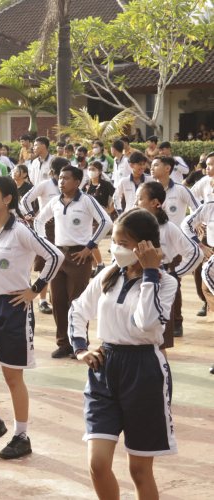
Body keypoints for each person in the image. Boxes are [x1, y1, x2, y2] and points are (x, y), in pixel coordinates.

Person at [68, 208, 178, 499]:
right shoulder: (108, 275)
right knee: (97, 463)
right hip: (105, 368)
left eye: (122, 242)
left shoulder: (166, 283)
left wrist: (151, 272)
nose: (114, 248)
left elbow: (146, 322)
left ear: (144, 245)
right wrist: (80, 348)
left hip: (144, 370)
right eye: (113, 240)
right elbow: (78, 310)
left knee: (139, 472)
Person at [0, 175, 63, 460]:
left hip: (14, 308)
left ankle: (22, 436)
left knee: (12, 377)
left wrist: (35, 290)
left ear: (7, 199)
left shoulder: (21, 231)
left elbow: (54, 257)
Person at [34, 166, 113, 359]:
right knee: (58, 300)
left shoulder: (87, 200)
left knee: (78, 302)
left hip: (80, 256)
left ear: (77, 182)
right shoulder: (55, 201)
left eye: (66, 178)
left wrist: (90, 246)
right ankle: (64, 344)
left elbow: (106, 222)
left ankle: (80, 344)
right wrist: (46, 244)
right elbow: (39, 221)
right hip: (59, 255)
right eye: (60, 177)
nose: (61, 181)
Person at [134, 182, 201, 350]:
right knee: (134, 334)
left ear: (154, 202)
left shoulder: (168, 228)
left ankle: (162, 374)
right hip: (133, 283)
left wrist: (175, 274)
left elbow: (195, 254)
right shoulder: (131, 226)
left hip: (158, 284)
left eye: (139, 198)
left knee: (158, 340)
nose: (135, 203)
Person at [21, 157, 68, 314]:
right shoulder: (45, 184)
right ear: (59, 169)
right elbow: (26, 200)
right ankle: (42, 300)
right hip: (47, 227)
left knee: (61, 262)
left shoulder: (69, 186)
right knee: (46, 262)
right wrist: (33, 217)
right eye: (66, 168)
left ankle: (56, 297)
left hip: (64, 227)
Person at [83, 161, 117, 276]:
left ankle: (101, 264)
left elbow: (117, 196)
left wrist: (110, 210)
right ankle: (94, 268)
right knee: (87, 241)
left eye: (93, 169)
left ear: (100, 171)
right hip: (88, 217)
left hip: (100, 217)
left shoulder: (105, 185)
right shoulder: (87, 185)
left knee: (93, 242)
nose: (91, 171)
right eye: (89, 168)